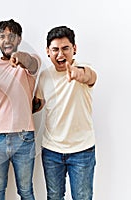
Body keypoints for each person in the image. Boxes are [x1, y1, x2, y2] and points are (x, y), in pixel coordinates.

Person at [33, 26, 97, 200]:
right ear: (48, 51)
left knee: (82, 197)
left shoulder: (84, 69)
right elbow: (36, 105)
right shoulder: (45, 76)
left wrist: (78, 74)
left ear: (74, 48)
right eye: (55, 49)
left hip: (82, 151)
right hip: (51, 151)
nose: (60, 54)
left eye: (65, 48)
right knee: (54, 196)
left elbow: (89, 76)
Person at [0, 19, 41, 200]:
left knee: (25, 190)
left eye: (12, 36)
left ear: (19, 39)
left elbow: (31, 62)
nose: (7, 40)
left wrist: (20, 58)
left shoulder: (30, 64)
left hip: (23, 137)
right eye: (2, 37)